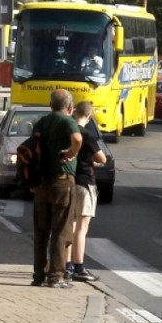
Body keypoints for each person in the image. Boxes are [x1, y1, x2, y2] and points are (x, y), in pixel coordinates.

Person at [31, 89, 82, 288]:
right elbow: (77, 139)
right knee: (61, 230)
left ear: (50, 104)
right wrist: (72, 153)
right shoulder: (67, 120)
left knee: (41, 231)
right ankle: (56, 276)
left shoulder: (42, 122)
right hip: (62, 181)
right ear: (70, 107)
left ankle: (38, 275)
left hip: (42, 182)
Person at [65, 101, 107, 282]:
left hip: (68, 180)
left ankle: (66, 265)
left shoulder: (68, 133)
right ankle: (79, 267)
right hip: (84, 182)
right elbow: (102, 158)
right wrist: (94, 162)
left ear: (74, 113)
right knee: (81, 227)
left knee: (69, 225)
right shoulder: (87, 136)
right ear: (89, 116)